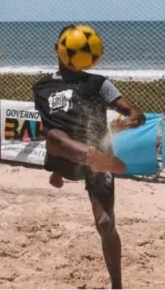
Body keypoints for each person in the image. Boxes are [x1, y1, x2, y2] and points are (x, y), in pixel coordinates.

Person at [33, 25, 145, 290]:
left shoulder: (98, 83)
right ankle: (88, 155)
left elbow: (134, 112)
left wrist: (129, 122)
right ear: (57, 49)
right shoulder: (42, 88)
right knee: (54, 137)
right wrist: (57, 170)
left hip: (99, 155)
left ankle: (116, 286)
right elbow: (49, 125)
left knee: (105, 224)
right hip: (67, 157)